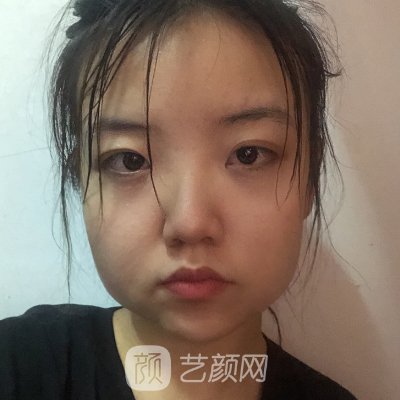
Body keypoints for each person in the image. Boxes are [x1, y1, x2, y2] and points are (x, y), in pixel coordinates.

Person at [0, 0, 357, 399]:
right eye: (130, 160)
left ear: (310, 180)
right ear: (79, 180)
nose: (190, 223)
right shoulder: (17, 366)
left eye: (249, 154)